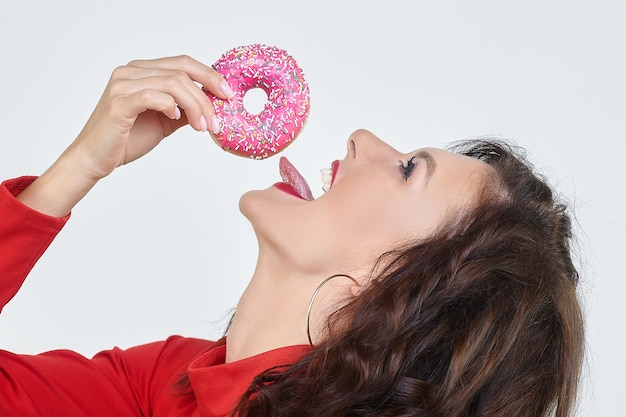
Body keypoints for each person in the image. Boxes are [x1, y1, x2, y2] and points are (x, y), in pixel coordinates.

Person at [0, 56, 584, 417]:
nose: (361, 138)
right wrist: (75, 170)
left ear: (409, 287)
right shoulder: (173, 385)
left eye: (408, 169)